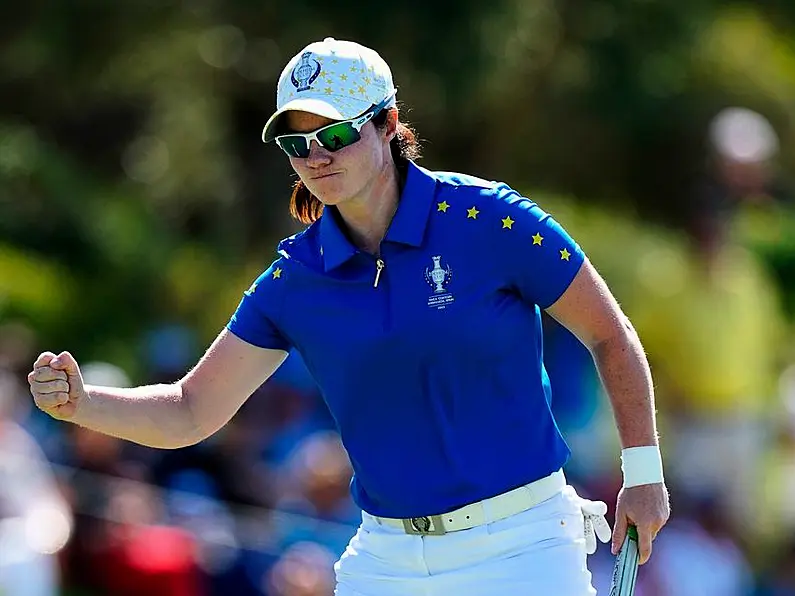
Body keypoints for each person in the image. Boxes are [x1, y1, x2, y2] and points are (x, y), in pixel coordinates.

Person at [27, 37, 669, 595]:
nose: (316, 157)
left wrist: (642, 474)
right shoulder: (295, 277)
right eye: (297, 143)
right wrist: (83, 404)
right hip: (385, 563)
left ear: (389, 124)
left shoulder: (489, 221)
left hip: (524, 547)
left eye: (336, 134)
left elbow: (609, 336)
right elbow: (192, 410)